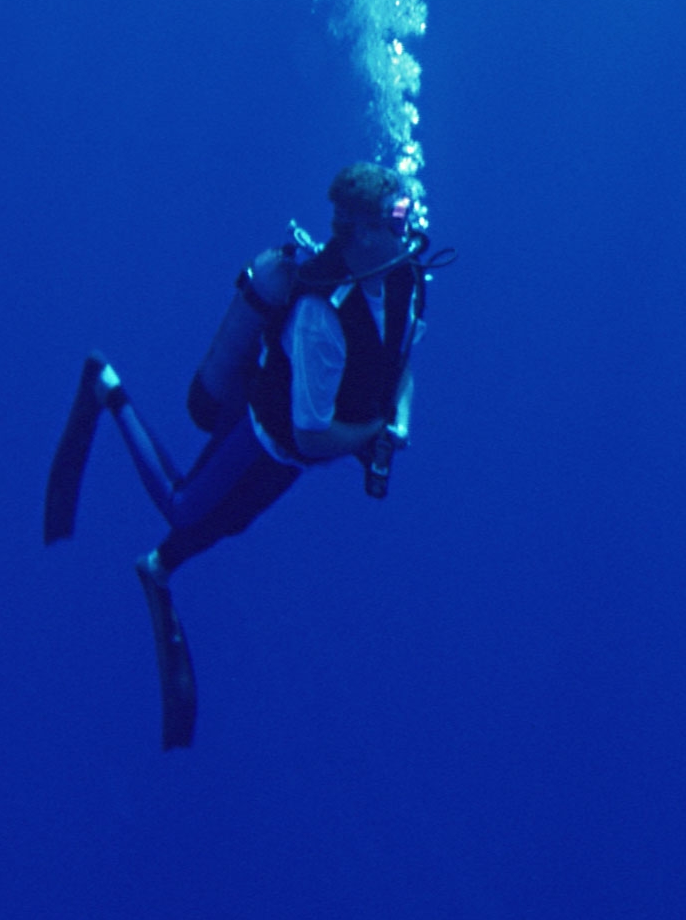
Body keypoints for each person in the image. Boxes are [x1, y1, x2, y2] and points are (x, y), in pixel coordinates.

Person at [44, 163, 432, 749]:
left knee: (232, 520)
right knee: (184, 506)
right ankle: (105, 387)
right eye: (396, 220)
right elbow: (311, 435)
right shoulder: (321, 312)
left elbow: (400, 361)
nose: (409, 228)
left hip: (294, 454)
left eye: (405, 215)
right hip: (261, 431)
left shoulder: (407, 276)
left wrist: (398, 420)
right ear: (361, 232)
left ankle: (158, 566)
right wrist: (375, 428)